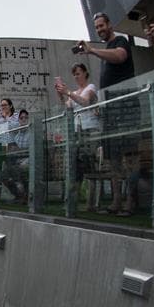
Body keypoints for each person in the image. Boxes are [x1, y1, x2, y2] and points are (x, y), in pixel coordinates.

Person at [78, 12, 136, 216]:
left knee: (128, 157)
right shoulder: (106, 50)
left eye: (102, 26)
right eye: (97, 27)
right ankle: (116, 202)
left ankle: (130, 202)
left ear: (110, 24)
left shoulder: (119, 41)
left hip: (125, 109)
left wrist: (92, 51)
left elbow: (121, 56)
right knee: (112, 158)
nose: (100, 29)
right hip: (110, 111)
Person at [56, 63, 101, 211]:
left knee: (90, 165)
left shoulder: (91, 88)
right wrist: (61, 93)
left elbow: (85, 102)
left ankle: (91, 203)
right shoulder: (75, 91)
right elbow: (68, 106)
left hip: (90, 130)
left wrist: (68, 92)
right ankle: (75, 200)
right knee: (76, 166)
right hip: (77, 132)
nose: (76, 76)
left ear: (85, 73)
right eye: (74, 74)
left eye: (79, 73)